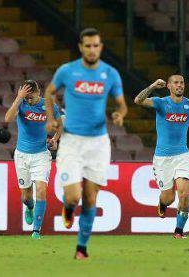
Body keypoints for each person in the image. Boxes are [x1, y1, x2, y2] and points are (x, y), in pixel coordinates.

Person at [44, 28, 128, 259]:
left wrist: (120, 114)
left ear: (101, 47)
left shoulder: (110, 74)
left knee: (91, 198)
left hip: (98, 143)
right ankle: (69, 208)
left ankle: (81, 248)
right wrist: (51, 118)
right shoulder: (67, 71)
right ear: (81, 47)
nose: (92, 50)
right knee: (73, 196)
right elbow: (49, 92)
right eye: (88, 45)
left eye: (96, 45)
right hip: (71, 141)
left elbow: (121, 103)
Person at [134, 76, 189, 238]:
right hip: (162, 158)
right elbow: (138, 100)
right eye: (176, 83)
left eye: (181, 83)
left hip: (182, 155)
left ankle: (179, 231)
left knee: (183, 193)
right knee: (169, 198)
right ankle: (162, 202)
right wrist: (152, 85)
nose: (179, 85)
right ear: (168, 86)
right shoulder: (161, 102)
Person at [5, 80, 62, 239]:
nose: (29, 101)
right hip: (22, 155)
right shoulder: (21, 104)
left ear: (39, 93)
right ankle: (29, 208)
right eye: (26, 98)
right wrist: (18, 98)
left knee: (42, 191)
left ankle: (36, 230)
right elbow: (7, 118)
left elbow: (61, 124)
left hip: (41, 155)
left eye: (32, 98)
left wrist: (55, 139)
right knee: (26, 197)